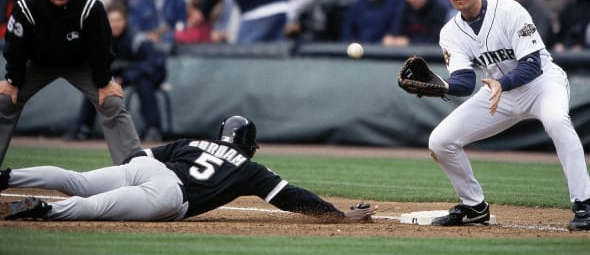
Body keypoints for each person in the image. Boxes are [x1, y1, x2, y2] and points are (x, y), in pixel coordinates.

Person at [416, 0, 590, 231]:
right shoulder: (450, 32)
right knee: (441, 141)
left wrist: (504, 83)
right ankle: (474, 207)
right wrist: (444, 87)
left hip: (542, 84)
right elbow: (465, 81)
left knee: (557, 122)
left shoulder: (509, 9)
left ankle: (584, 205)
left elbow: (532, 65)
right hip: (499, 92)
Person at [0, 115, 377, 222]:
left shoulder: (194, 142)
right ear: (249, 146)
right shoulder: (249, 168)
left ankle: (9, 176)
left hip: (148, 171)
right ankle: (44, 210)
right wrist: (336, 215)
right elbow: (290, 197)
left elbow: (140, 158)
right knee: (94, 208)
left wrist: (132, 174)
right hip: (168, 195)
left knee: (78, 181)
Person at [0, 0, 141, 166]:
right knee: (5, 101)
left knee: (111, 102)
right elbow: (15, 46)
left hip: (80, 65)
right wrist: (13, 78)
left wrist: (103, 82)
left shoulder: (90, 7)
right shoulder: (27, 7)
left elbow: (101, 47)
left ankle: (134, 168)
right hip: (39, 64)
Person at [67, 1, 166, 142]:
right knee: (95, 83)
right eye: (111, 20)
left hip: (147, 74)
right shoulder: (102, 38)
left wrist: (125, 78)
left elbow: (150, 66)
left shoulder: (137, 39)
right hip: (119, 76)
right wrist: (108, 77)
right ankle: (83, 128)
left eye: (118, 20)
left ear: (125, 20)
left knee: (145, 84)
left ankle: (153, 129)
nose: (115, 24)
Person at [383, 0, 448, 46]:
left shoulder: (438, 10)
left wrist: (409, 42)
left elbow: (437, 40)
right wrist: (390, 38)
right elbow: (394, 33)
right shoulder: (403, 9)